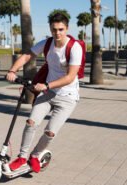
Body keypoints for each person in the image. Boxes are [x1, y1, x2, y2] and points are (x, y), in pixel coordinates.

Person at [6, 12, 83, 173]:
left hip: (67, 97)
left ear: (67, 28)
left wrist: (47, 85)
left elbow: (70, 77)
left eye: (61, 29)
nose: (57, 33)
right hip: (48, 93)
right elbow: (27, 56)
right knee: (31, 123)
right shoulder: (47, 43)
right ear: (50, 28)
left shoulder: (74, 47)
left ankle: (34, 156)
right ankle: (22, 157)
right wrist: (13, 70)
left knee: (50, 132)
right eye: (54, 29)